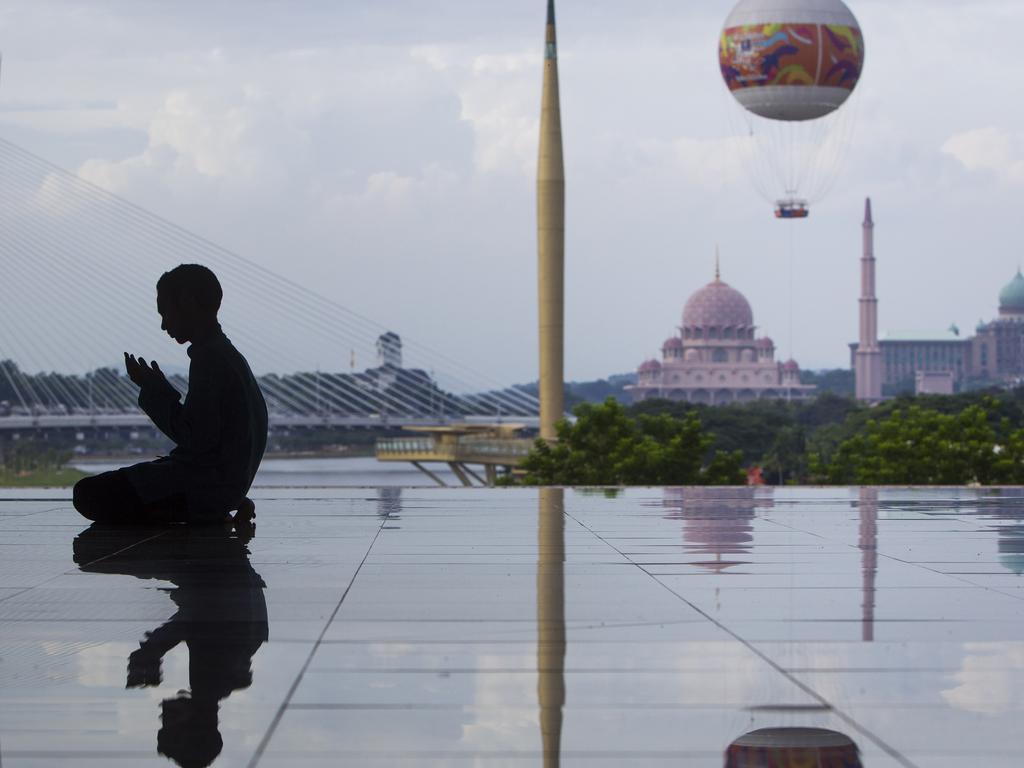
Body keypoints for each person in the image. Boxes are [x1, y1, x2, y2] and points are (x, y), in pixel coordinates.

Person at [73, 264, 268, 525]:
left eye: (165, 312)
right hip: (225, 483)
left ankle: (206, 510)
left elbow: (195, 438)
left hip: (204, 486)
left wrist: (154, 391)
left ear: (187, 302)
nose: (164, 325)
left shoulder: (209, 358)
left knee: (87, 494)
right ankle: (220, 504)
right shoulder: (226, 354)